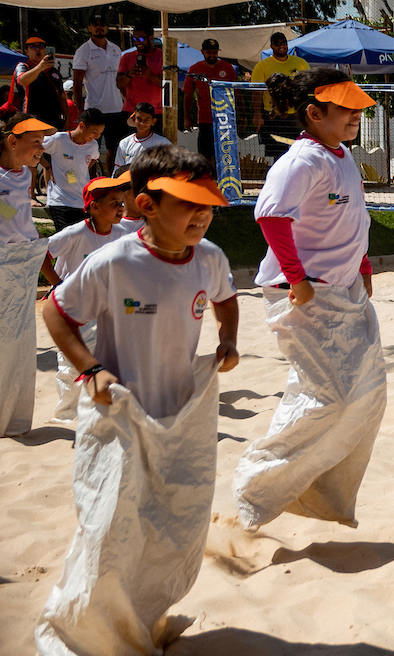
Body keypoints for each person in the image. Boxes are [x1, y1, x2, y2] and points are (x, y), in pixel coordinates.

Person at [37, 146, 239, 654]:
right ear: (146, 205)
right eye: (189, 203)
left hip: (178, 415)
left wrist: (228, 340)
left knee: (168, 523)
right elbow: (56, 311)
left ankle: (140, 618)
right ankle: (87, 632)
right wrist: (92, 368)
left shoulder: (209, 258)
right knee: (109, 525)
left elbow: (226, 299)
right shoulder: (113, 263)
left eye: (208, 204)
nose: (202, 214)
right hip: (116, 415)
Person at [233, 69, 387, 531]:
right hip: (304, 295)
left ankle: (319, 495)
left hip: (345, 292)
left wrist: (361, 267)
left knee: (369, 395)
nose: (357, 115)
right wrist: (297, 278)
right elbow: (271, 216)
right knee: (330, 400)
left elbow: (352, 222)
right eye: (346, 108)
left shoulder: (342, 156)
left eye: (359, 107)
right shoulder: (301, 161)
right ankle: (256, 486)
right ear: (314, 113)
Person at [39, 174, 130, 422]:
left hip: (107, 307)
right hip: (75, 308)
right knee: (70, 363)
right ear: (94, 206)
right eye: (114, 202)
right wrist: (57, 283)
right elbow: (42, 252)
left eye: (122, 202)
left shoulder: (123, 233)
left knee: (108, 357)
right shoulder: (75, 233)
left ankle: (99, 406)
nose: (120, 207)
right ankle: (66, 413)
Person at [0, 114, 56, 438]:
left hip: (21, 270)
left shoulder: (24, 176)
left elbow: (24, 227)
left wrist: (50, 274)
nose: (41, 148)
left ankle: (13, 421)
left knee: (20, 347)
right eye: (35, 141)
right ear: (12, 141)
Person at [73, 12, 126, 173]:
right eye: (95, 24)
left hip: (117, 109)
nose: (99, 27)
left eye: (102, 24)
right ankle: (90, 183)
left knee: (114, 150)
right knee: (90, 149)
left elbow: (121, 78)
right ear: (89, 28)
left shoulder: (116, 49)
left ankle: (111, 182)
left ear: (107, 27)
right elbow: (77, 81)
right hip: (94, 109)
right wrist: (80, 109)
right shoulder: (84, 51)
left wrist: (128, 100)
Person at [40, 108, 104, 230]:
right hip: (60, 200)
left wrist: (84, 168)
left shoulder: (93, 145)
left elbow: (95, 157)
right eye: (94, 132)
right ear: (82, 125)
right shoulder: (58, 139)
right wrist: (48, 166)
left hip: (82, 201)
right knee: (65, 239)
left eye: (100, 133)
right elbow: (34, 149)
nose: (96, 136)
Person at [250, 32, 309, 161]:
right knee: (279, 154)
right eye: (278, 44)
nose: (281, 46)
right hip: (274, 115)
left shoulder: (301, 63)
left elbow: (307, 88)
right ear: (272, 46)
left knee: (298, 153)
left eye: (284, 43)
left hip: (296, 115)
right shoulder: (262, 66)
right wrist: (257, 114)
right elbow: (256, 92)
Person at [183, 38, 238, 164]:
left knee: (225, 154)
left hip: (225, 119)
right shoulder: (194, 69)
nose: (212, 55)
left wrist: (242, 115)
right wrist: (187, 117)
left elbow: (238, 92)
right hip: (205, 120)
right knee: (205, 156)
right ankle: (209, 181)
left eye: (214, 52)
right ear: (202, 52)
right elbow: (188, 94)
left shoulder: (227, 67)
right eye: (209, 52)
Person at [11, 36, 68, 130]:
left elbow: (62, 96)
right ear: (26, 51)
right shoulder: (23, 66)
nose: (38, 49)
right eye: (33, 46)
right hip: (31, 119)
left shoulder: (53, 71)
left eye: (41, 46)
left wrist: (67, 117)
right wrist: (40, 68)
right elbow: (22, 81)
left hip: (53, 120)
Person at [115, 25, 164, 134]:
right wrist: (129, 75)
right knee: (128, 147)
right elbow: (119, 84)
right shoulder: (127, 57)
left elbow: (168, 85)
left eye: (141, 39)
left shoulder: (163, 57)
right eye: (134, 39)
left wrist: (150, 75)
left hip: (156, 112)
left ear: (151, 37)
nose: (137, 42)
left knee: (157, 150)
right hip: (131, 111)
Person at [115, 102, 171, 168]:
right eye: (139, 119)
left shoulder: (163, 143)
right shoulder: (124, 143)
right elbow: (118, 169)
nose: (142, 123)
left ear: (153, 121)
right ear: (134, 119)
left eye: (147, 120)